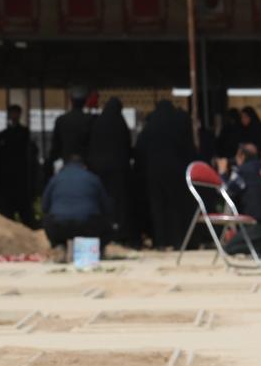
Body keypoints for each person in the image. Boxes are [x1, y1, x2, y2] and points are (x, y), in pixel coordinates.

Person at [137, 97, 197, 248]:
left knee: (157, 207)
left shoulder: (151, 125)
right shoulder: (179, 123)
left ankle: (160, 242)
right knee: (175, 206)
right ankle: (177, 241)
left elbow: (141, 149)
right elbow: (189, 148)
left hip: (154, 172)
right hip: (176, 171)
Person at [40, 153, 115, 253]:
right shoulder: (92, 178)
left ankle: (59, 246)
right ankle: (94, 250)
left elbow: (44, 206)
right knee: (110, 227)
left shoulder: (55, 179)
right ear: (84, 166)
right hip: (88, 226)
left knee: (48, 220)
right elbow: (106, 207)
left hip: (59, 226)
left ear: (64, 166)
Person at [86, 95, 135, 245]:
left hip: (99, 171)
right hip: (118, 171)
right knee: (119, 202)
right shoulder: (120, 123)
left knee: (102, 200)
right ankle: (119, 233)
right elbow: (127, 147)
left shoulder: (97, 123)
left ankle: (104, 232)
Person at [223, 142, 261, 255]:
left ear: (242, 156)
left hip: (253, 225)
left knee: (228, 248)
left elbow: (226, 190)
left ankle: (260, 249)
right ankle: (259, 246)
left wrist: (222, 173)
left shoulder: (242, 171)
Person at [49, 86, 95, 169]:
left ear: (71, 100)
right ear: (84, 101)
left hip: (67, 163)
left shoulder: (61, 120)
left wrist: (50, 161)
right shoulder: (90, 120)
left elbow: (56, 146)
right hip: (86, 164)